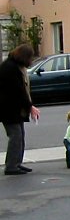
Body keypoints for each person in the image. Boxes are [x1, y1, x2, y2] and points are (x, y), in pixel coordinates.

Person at [0, 44, 40, 175]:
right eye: (30, 57)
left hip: (14, 108)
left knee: (20, 135)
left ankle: (17, 163)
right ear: (24, 57)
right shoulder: (10, 68)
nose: (31, 60)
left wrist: (29, 106)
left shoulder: (14, 66)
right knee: (15, 136)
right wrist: (30, 106)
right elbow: (18, 91)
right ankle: (11, 166)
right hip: (9, 109)